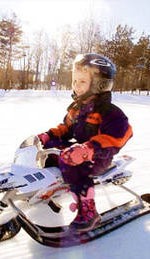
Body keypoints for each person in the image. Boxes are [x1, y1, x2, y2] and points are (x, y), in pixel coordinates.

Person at [37, 53, 133, 232]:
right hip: (77, 151)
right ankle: (49, 188)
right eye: (74, 81)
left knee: (71, 162)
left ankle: (88, 211)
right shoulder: (77, 109)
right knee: (49, 152)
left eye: (82, 81)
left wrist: (88, 149)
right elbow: (66, 128)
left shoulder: (109, 112)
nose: (76, 86)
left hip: (99, 157)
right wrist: (48, 136)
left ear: (99, 84)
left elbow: (121, 134)